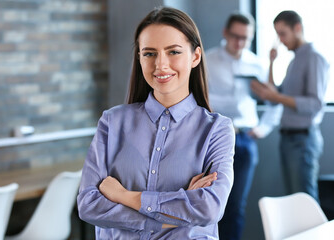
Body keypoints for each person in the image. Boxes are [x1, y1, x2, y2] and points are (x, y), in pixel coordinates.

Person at [77, 7, 235, 239]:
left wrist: (123, 196)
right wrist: (171, 218)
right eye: (149, 53)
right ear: (139, 58)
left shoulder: (216, 129)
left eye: (173, 52)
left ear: (195, 56)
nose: (160, 65)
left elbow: (209, 207)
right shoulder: (112, 122)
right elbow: (88, 205)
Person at [204, 12, 281, 240]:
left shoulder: (256, 65)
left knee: (236, 205)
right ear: (225, 33)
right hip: (213, 139)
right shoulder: (207, 61)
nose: (239, 43)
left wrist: (263, 128)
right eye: (235, 36)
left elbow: (274, 103)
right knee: (210, 204)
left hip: (244, 140)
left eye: (245, 38)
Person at [251, 10, 329, 201]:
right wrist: (271, 63)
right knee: (295, 201)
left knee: (304, 201)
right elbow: (276, 95)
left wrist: (276, 97)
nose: (280, 40)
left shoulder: (313, 57)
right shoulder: (295, 60)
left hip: (302, 141)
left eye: (283, 33)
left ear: (298, 28)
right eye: (277, 34)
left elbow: (315, 103)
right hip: (288, 139)